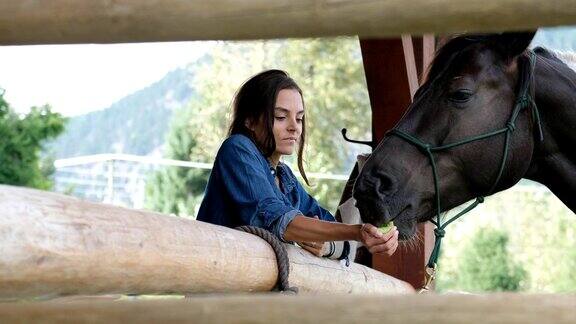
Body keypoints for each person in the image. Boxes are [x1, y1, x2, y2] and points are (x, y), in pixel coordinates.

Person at [197, 69, 398, 258]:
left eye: (300, 118)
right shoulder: (237, 150)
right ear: (249, 120)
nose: (294, 127)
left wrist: (326, 245)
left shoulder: (285, 178)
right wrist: (357, 233)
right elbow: (280, 220)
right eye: (281, 117)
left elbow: (333, 229)